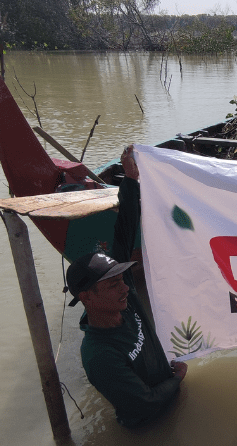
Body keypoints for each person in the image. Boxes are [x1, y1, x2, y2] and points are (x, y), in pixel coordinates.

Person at [66, 146, 187, 427]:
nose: (124, 287)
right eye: (112, 284)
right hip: (150, 425)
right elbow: (144, 402)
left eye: (122, 278)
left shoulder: (125, 298)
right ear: (87, 297)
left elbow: (125, 226)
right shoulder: (100, 356)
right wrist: (179, 378)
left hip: (172, 392)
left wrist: (131, 180)